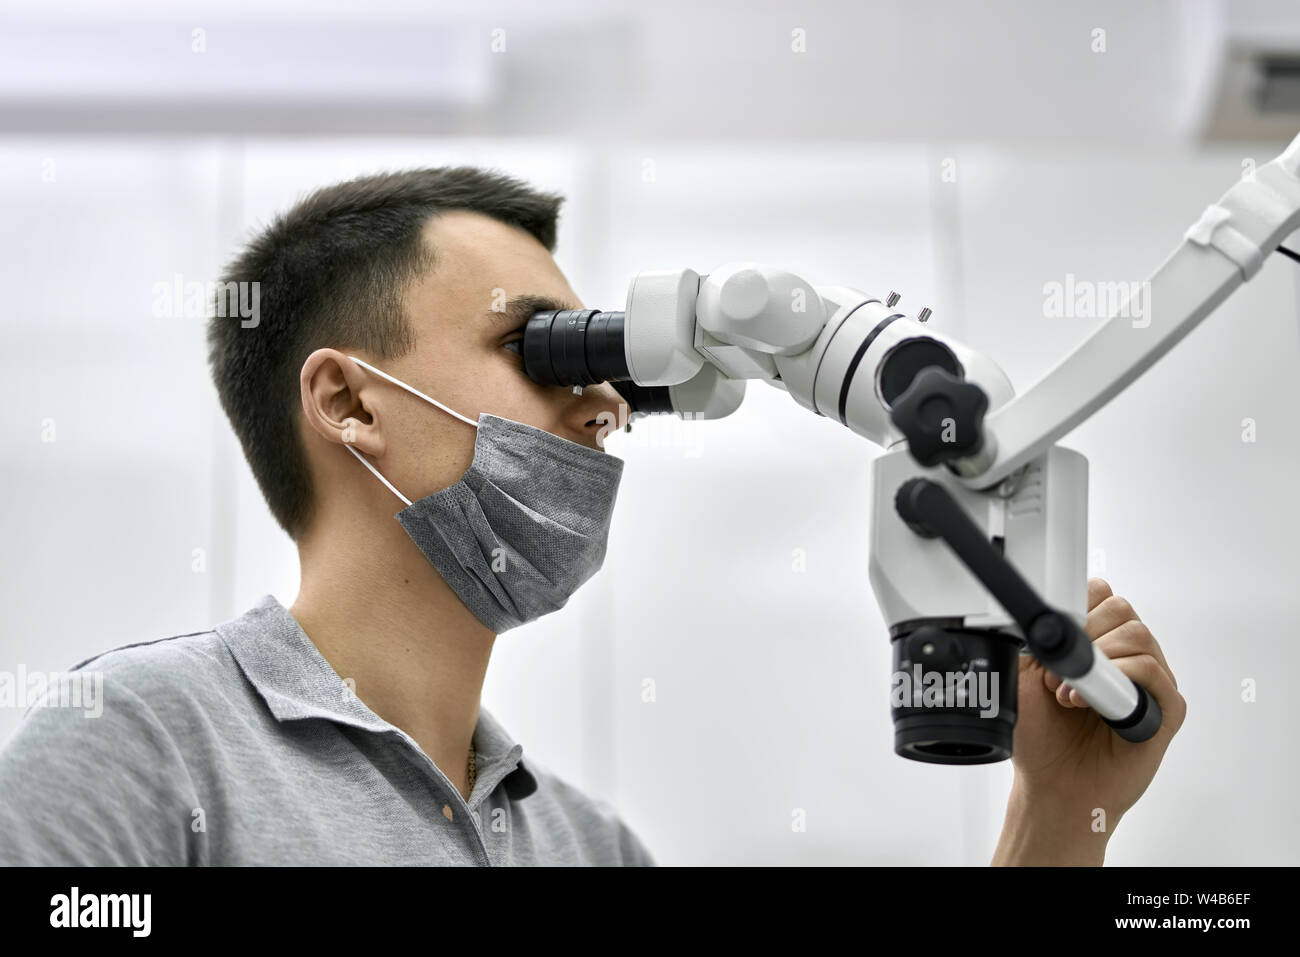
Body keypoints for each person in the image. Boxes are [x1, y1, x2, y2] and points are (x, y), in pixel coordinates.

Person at [0, 168, 1185, 866]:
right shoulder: (139, 746)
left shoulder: (582, 844)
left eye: (603, 357)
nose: (603, 397)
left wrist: (1055, 820)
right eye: (540, 347)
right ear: (350, 401)